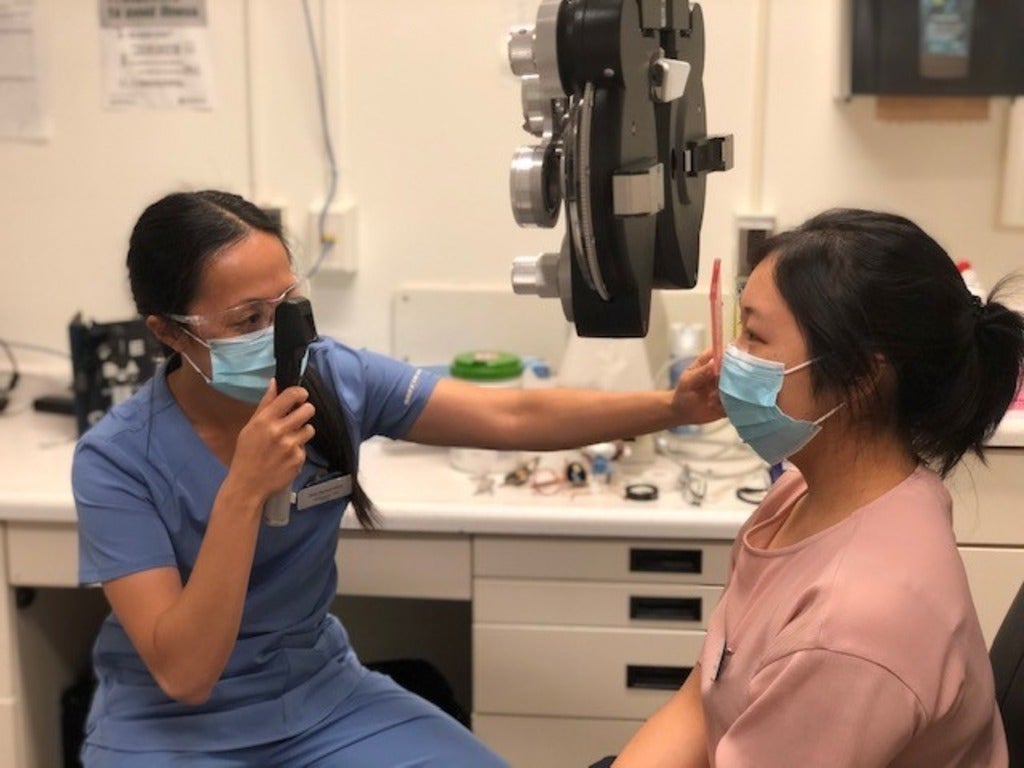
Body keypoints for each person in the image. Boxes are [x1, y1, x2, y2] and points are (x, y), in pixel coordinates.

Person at [71, 189, 724, 767]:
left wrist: (671, 407)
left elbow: (511, 410)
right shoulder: (117, 461)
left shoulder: (333, 378)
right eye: (246, 321)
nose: (276, 336)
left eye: (288, 305)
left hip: (317, 694)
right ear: (167, 332)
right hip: (172, 725)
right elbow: (185, 672)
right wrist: (244, 490)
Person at [610, 209, 1024, 768]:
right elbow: (703, 697)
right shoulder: (806, 496)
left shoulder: (855, 623)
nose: (730, 357)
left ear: (860, 378)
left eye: (755, 336)